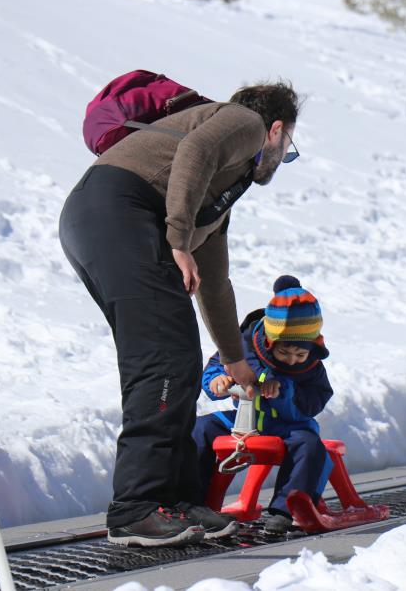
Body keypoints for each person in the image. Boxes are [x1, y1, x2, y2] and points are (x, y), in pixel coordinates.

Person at [59, 82, 302, 546]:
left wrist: (236, 361)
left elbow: (214, 284)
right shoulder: (241, 122)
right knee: (165, 358)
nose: (283, 156)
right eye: (288, 145)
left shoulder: (219, 192)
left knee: (177, 357)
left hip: (103, 217)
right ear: (274, 130)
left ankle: (172, 499)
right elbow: (195, 151)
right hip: (119, 211)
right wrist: (176, 239)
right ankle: (136, 508)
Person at [192, 275, 334, 535]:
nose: (292, 360)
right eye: (284, 353)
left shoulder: (311, 367)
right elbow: (217, 365)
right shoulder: (244, 350)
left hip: (287, 427)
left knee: (310, 446)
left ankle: (285, 509)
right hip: (242, 422)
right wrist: (218, 381)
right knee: (200, 429)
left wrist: (285, 392)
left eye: (300, 354)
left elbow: (316, 399)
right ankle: (194, 501)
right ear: (270, 343)